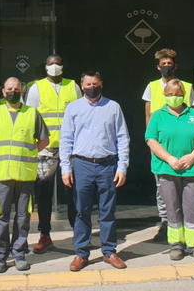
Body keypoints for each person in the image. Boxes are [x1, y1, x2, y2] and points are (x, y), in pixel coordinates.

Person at [60, 71, 130, 271]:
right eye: (88, 84)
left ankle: (109, 252)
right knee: (82, 210)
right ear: (82, 86)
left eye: (95, 83)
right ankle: (81, 253)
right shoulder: (73, 108)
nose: (92, 87)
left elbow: (123, 138)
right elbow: (66, 140)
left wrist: (122, 166)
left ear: (101, 84)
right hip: (82, 164)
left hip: (108, 164)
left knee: (108, 211)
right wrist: (66, 168)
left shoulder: (113, 107)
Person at [0, 77, 49, 273]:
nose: (13, 91)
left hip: (25, 175)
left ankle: (19, 253)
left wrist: (29, 152)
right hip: (2, 174)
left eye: (16, 89)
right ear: (3, 92)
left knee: (22, 217)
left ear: (22, 92)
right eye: (9, 89)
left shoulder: (32, 113)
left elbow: (44, 140)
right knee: (1, 217)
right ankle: (0, 257)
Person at [145, 79, 194, 261]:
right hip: (167, 169)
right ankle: (176, 244)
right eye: (171, 94)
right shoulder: (158, 116)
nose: (175, 97)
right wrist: (169, 158)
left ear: (184, 96)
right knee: (172, 208)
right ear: (165, 95)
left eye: (178, 94)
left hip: (193, 169)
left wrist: (193, 156)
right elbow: (151, 139)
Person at [26, 55, 82, 253]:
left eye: (58, 63)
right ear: (46, 67)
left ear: (63, 66)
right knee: (43, 194)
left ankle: (79, 233)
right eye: (51, 64)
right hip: (45, 149)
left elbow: (81, 114)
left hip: (70, 149)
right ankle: (44, 234)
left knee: (73, 192)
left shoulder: (73, 86)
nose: (55, 66)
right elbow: (29, 118)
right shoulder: (36, 88)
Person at [142, 48, 194, 242]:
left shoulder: (188, 87)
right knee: (162, 186)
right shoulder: (151, 86)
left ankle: (185, 223)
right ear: (158, 67)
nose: (167, 67)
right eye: (163, 64)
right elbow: (148, 116)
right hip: (161, 145)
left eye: (170, 64)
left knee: (187, 185)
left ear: (175, 65)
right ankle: (167, 222)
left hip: (184, 146)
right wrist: (152, 143)